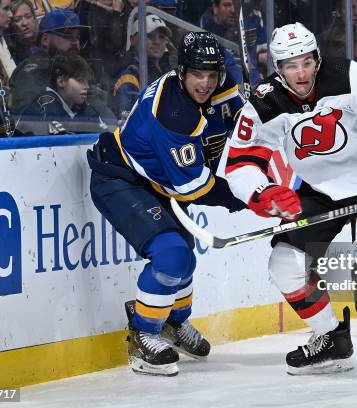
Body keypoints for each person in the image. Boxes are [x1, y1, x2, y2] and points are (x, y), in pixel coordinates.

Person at [223, 22, 357, 374]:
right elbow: (240, 162)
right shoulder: (265, 102)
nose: (301, 73)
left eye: (307, 62)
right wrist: (262, 191)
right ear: (278, 69)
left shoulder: (350, 77)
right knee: (285, 264)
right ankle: (330, 337)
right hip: (321, 191)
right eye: (291, 65)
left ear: (317, 58)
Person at [86, 32, 245, 376]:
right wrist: (244, 195)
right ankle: (143, 334)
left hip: (159, 181)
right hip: (120, 179)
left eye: (211, 75)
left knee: (184, 255)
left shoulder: (220, 84)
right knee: (172, 255)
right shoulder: (173, 112)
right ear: (181, 72)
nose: (205, 83)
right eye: (196, 75)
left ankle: (174, 324)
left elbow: (243, 126)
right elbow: (193, 186)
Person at [8, 8, 89, 113]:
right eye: (67, 35)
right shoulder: (35, 70)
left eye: (77, 37)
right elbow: (30, 117)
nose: (75, 42)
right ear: (46, 40)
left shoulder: (70, 69)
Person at [16, 52, 116, 135]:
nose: (87, 87)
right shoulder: (48, 105)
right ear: (61, 81)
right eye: (80, 81)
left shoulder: (75, 106)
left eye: (87, 81)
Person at [112, 13, 174, 120]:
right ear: (132, 39)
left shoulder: (169, 71)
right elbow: (126, 121)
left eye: (162, 37)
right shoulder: (129, 74)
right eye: (149, 36)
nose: (157, 42)